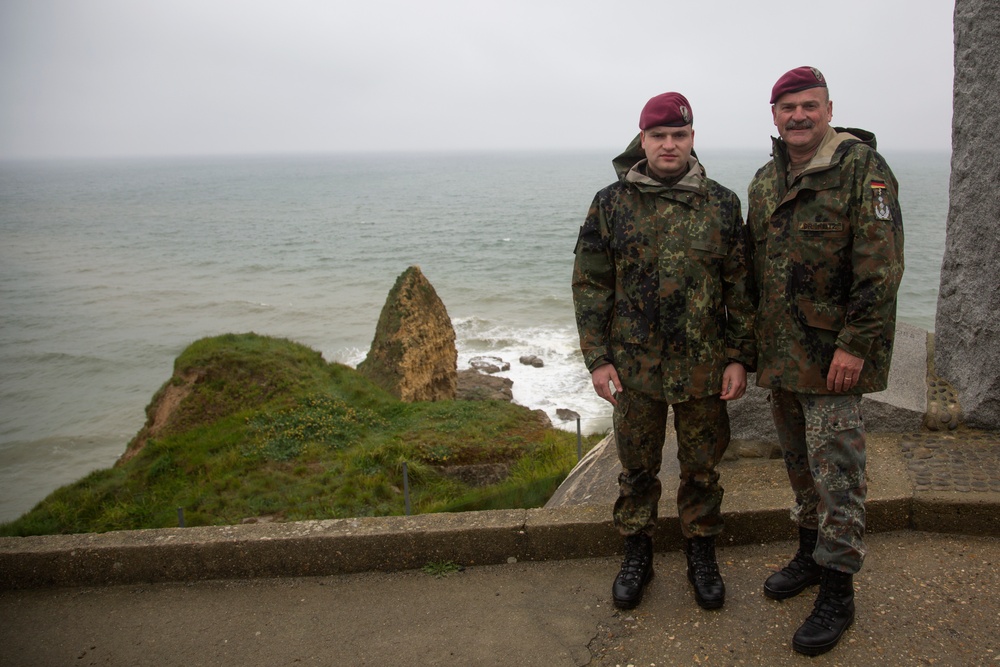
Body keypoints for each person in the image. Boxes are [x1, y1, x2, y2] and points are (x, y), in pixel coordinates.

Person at [572, 92, 756, 611]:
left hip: (704, 366)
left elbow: (739, 287)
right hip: (634, 369)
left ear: (692, 138)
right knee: (636, 467)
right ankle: (638, 551)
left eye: (679, 135)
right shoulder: (610, 203)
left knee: (702, 467)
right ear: (643, 140)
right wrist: (598, 358)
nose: (669, 145)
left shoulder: (721, 203)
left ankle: (701, 551)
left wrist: (739, 356)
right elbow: (591, 285)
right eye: (659, 136)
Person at [746, 66, 904, 656]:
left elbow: (881, 264)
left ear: (829, 107)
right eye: (787, 107)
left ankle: (839, 589)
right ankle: (811, 555)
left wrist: (854, 344)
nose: (799, 116)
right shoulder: (767, 180)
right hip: (783, 356)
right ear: (774, 114)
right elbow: (753, 270)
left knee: (839, 471)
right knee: (798, 465)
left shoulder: (864, 168)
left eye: (808, 105)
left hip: (833, 356)